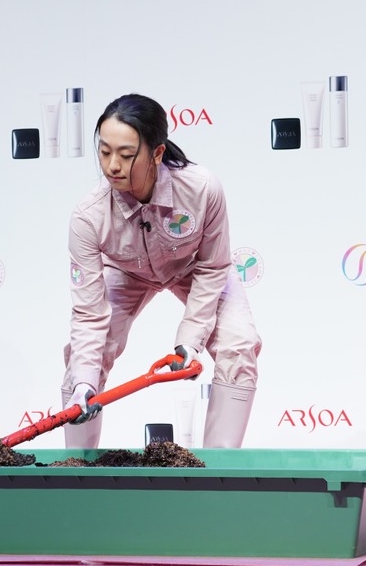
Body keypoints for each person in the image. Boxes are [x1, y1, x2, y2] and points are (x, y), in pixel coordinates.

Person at [62, 93, 262, 449]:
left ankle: (219, 471)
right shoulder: (87, 217)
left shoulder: (202, 189)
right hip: (126, 272)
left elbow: (214, 265)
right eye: (104, 152)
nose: (112, 166)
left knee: (239, 343)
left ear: (157, 153)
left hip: (196, 268)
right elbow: (90, 315)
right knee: (84, 360)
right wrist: (83, 384)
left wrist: (189, 340)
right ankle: (77, 467)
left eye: (126, 155)